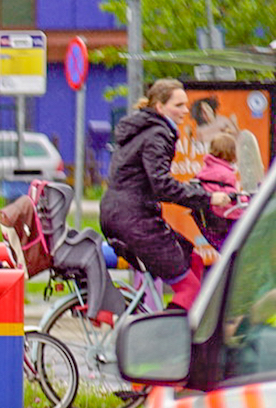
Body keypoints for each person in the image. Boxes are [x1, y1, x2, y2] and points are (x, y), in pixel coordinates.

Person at [99, 78, 231, 310]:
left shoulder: (143, 129)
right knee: (188, 287)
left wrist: (195, 191)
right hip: (135, 220)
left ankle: (181, 327)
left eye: (186, 105)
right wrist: (207, 198)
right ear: (160, 107)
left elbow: (146, 180)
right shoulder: (158, 134)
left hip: (119, 214)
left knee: (193, 259)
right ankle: (169, 340)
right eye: (178, 105)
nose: (185, 110)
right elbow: (161, 184)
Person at [193, 132, 241, 253]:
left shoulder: (206, 169)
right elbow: (232, 198)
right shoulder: (225, 174)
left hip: (210, 222)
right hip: (225, 220)